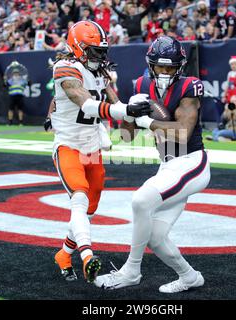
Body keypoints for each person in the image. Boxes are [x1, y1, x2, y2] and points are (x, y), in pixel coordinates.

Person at [94, 36, 210, 293]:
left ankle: (131, 271)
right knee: (156, 237)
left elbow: (182, 134)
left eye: (170, 67)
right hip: (168, 165)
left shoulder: (190, 86)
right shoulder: (140, 85)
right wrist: (128, 111)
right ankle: (190, 277)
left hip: (192, 163)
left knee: (141, 200)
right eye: (160, 66)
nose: (165, 72)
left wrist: (146, 121)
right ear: (151, 64)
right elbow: (126, 136)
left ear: (180, 67)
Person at [48, 20, 151, 284]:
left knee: (90, 208)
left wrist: (137, 113)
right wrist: (124, 110)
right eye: (94, 51)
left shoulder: (101, 75)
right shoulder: (64, 67)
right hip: (69, 145)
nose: (100, 57)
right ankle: (87, 257)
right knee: (79, 200)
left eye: (102, 51)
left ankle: (63, 254)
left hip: (92, 149)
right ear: (78, 48)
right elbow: (84, 103)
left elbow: (124, 126)